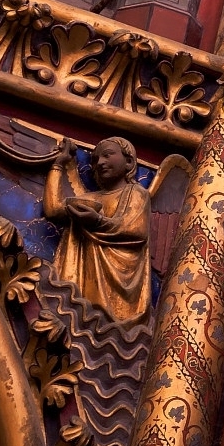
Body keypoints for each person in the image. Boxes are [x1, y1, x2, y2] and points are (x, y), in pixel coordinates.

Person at [45, 138, 152, 323]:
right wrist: (58, 164)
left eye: (107, 155)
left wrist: (97, 221)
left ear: (128, 162)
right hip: (86, 279)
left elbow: (136, 230)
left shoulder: (135, 193)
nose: (100, 163)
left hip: (122, 278)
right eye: (95, 160)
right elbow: (54, 209)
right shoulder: (90, 198)